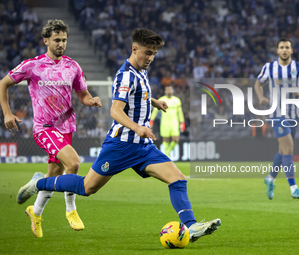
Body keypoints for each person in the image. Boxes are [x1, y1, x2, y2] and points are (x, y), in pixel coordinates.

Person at [16, 28, 221, 242]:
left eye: (154, 54)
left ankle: (191, 226)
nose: (150, 58)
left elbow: (137, 95)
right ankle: (39, 183)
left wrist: (154, 102)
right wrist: (137, 127)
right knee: (87, 187)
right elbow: (115, 110)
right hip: (120, 146)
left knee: (177, 179)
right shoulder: (125, 75)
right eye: (147, 53)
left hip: (142, 147)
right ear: (135, 49)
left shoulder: (141, 71)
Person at [0, 19, 102, 237]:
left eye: (64, 40)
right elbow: (3, 83)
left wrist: (90, 100)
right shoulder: (32, 65)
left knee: (55, 174)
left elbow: (82, 94)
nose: (61, 44)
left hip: (66, 127)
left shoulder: (73, 66)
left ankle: (35, 212)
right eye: (57, 40)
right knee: (73, 163)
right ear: (46, 40)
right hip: (44, 127)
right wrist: (7, 113)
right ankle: (71, 209)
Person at [254, 38, 299, 199]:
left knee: (283, 151)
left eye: (287, 47)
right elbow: (257, 84)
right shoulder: (269, 67)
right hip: (277, 113)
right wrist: (261, 98)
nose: (284, 50)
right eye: (282, 47)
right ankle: (293, 188)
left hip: (293, 114)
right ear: (277, 51)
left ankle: (270, 178)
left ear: (291, 50)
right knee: (288, 148)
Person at [150, 85, 185, 156]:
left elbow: (180, 112)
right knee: (165, 140)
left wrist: (182, 122)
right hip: (164, 123)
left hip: (174, 123)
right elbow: (155, 111)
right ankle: (167, 155)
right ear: (165, 91)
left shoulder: (177, 100)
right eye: (168, 89)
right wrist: (151, 120)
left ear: (172, 91)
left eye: (170, 89)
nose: (169, 91)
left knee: (176, 140)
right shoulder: (161, 99)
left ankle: (167, 153)